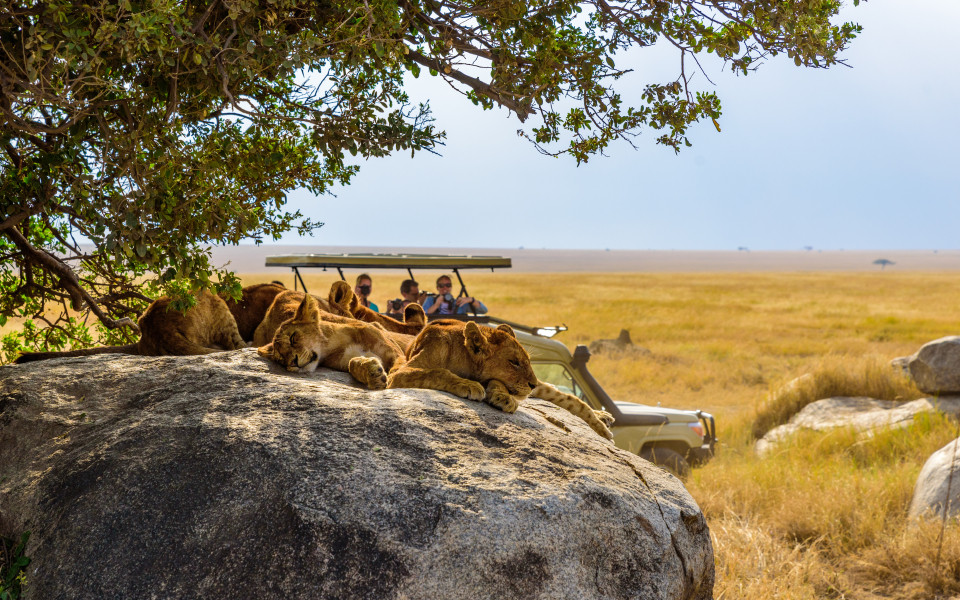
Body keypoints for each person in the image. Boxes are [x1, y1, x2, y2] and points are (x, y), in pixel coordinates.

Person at [422, 275, 487, 315]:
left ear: (451, 287)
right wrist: (436, 305)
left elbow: (483, 310)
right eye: (441, 285)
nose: (445, 288)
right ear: (437, 288)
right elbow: (422, 316)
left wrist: (472, 300)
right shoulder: (431, 300)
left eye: (448, 285)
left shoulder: (459, 303)